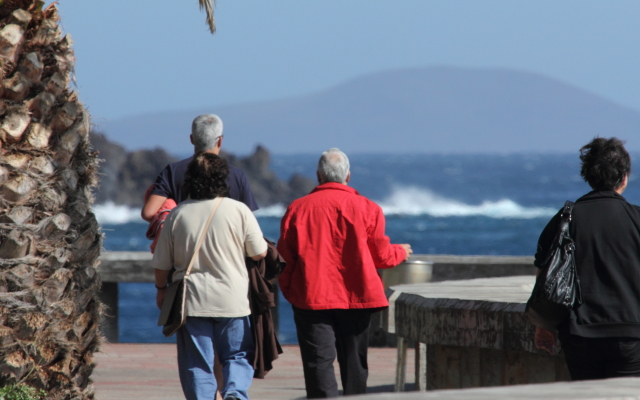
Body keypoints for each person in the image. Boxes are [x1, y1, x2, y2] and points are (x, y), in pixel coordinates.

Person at [277, 148, 412, 398]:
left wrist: (291, 292)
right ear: (347, 176)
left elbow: (284, 260)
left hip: (311, 298)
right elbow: (382, 257)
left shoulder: (298, 209)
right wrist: (401, 252)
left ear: (318, 176)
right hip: (357, 297)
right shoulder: (369, 208)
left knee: (318, 364)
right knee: (355, 364)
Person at [152, 153, 267, 400]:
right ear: (222, 179)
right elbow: (259, 252)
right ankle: (234, 392)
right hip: (232, 299)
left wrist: (161, 290)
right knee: (237, 354)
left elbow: (161, 264)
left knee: (197, 362)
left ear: (190, 180)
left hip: (192, 302)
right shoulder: (239, 210)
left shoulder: (178, 214)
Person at [534, 137, 640, 380]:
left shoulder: (565, 219)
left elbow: (545, 275)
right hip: (631, 334)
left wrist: (544, 325)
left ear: (588, 176)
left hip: (580, 335)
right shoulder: (636, 218)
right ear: (623, 178)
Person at [141, 113, 258, 222]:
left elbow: (148, 213)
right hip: (226, 243)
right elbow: (248, 221)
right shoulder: (238, 175)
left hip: (185, 242)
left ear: (192, 139)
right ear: (220, 141)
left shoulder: (172, 171)